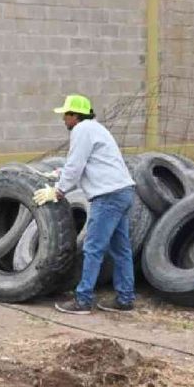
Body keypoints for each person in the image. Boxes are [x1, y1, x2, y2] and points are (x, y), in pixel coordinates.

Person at [32, 94, 136, 314]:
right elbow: (91, 163)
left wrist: (58, 191)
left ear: (75, 115)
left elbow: (77, 164)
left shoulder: (82, 130)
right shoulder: (96, 129)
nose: (64, 120)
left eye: (66, 115)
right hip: (123, 191)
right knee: (121, 249)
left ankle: (83, 301)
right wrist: (60, 173)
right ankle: (125, 299)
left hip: (107, 196)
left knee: (93, 249)